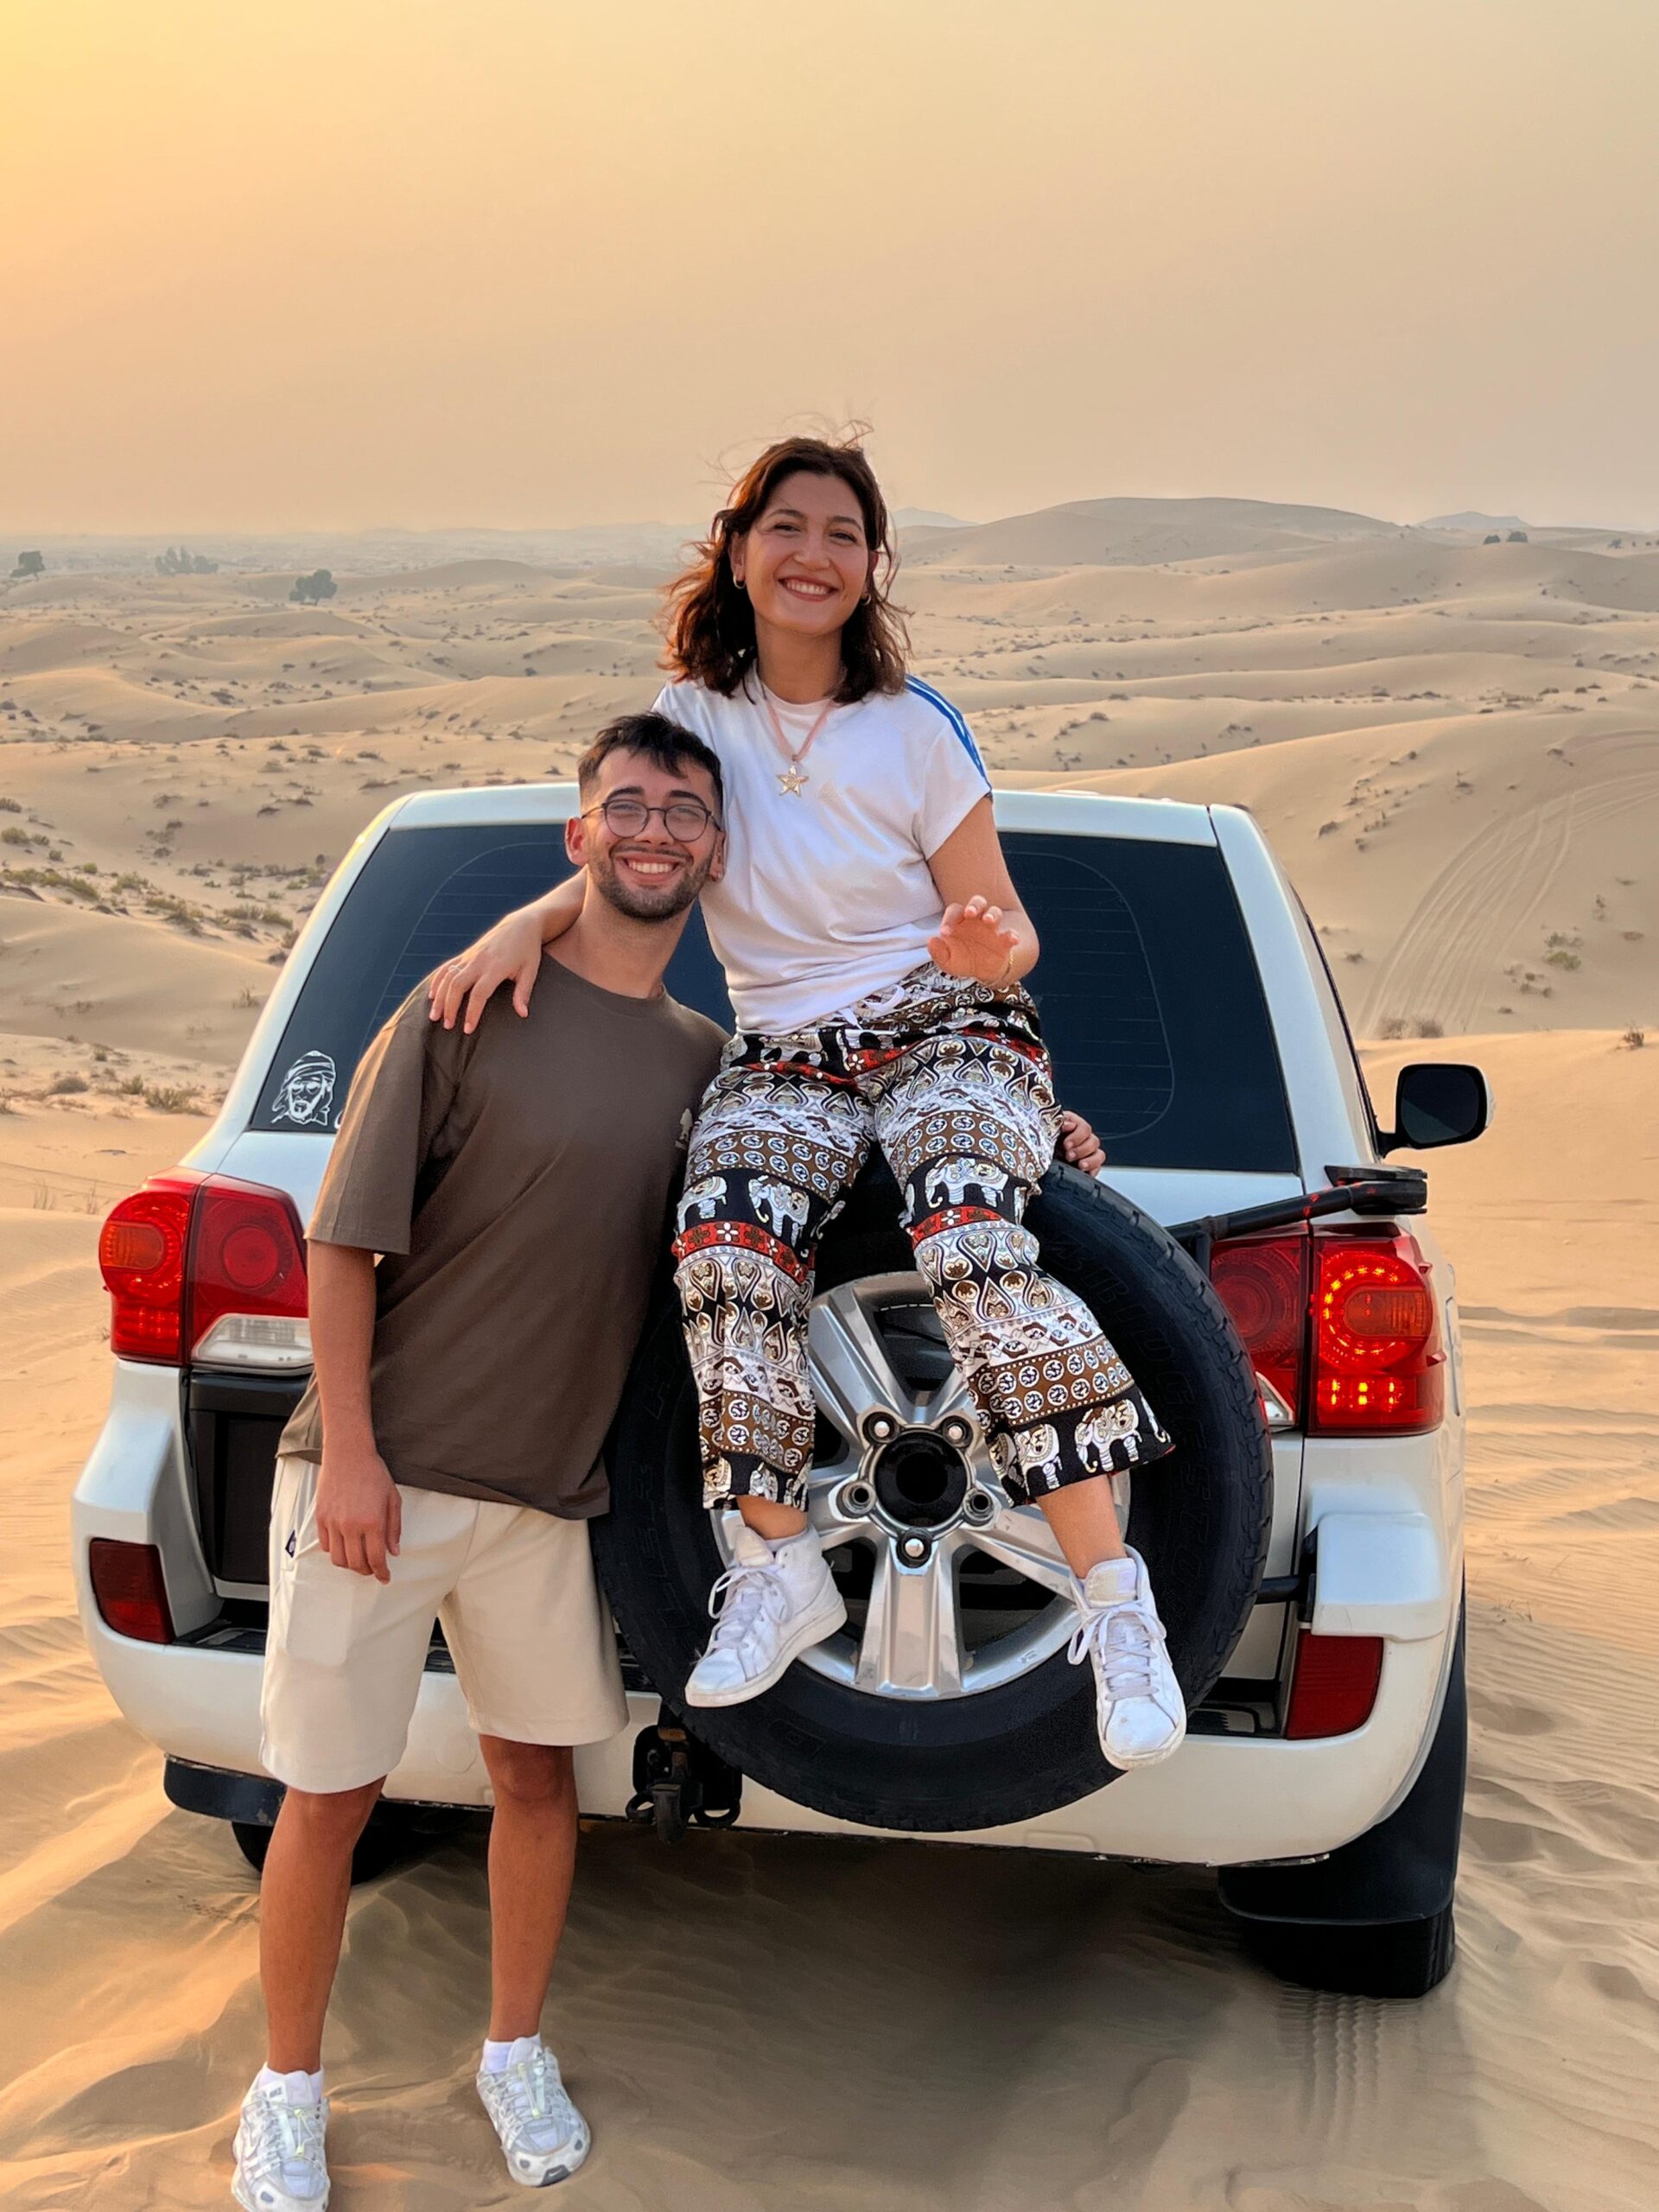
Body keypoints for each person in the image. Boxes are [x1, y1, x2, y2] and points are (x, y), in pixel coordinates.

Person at [430, 435, 1186, 1775]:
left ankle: (1118, 1606)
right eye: (787, 526)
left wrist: (986, 953)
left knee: (971, 1235)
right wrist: (523, 924)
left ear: (872, 566)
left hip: (944, 1027)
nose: (813, 555)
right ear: (738, 549)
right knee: (723, 1248)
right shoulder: (693, 715)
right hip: (786, 1052)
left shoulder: (914, 727)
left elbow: (1008, 930)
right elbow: (638, 848)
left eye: (844, 534)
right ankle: (779, 1569)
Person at [232, 716, 730, 2212]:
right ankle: (284, 2093)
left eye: (684, 811)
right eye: (625, 806)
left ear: (715, 851)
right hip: (378, 1482)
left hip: (547, 1504)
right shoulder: (463, 1006)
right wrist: (353, 1455)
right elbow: (343, 1243)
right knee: (330, 1795)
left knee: (536, 1781)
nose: (654, 830)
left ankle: (514, 2054)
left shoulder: (704, 1062)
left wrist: (1049, 1132)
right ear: (579, 837)